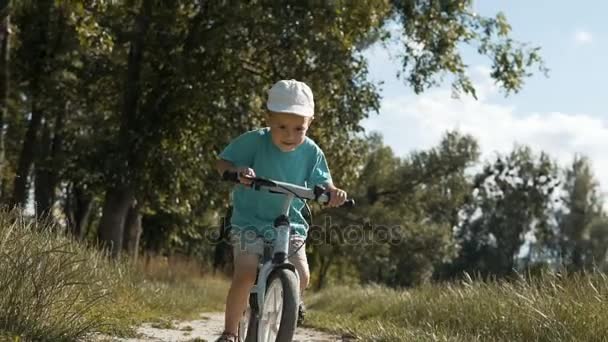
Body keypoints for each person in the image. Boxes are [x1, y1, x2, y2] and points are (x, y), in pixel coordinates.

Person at [215, 79, 348, 341]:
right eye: (281, 126)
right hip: (250, 220)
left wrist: (333, 192)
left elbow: (324, 182)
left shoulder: (312, 152)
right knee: (246, 272)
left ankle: (288, 303)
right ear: (269, 118)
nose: (289, 135)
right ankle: (230, 333)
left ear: (310, 122)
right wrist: (236, 171)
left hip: (290, 222)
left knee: (303, 275)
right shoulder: (255, 141)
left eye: (299, 128)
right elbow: (222, 161)